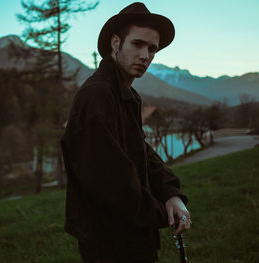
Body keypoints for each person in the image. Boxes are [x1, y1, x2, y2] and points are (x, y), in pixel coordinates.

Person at [60, 2, 191, 262]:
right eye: (138, 44)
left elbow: (140, 150)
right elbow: (112, 183)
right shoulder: (96, 96)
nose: (146, 56)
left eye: (152, 49)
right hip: (110, 242)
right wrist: (160, 213)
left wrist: (170, 194)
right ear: (116, 43)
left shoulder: (126, 94)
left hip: (132, 234)